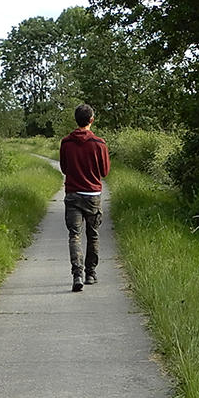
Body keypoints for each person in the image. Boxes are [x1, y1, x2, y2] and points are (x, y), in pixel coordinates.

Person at [59, 103, 111, 292]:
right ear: (91, 120)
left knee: (75, 236)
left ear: (75, 120)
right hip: (92, 196)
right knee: (93, 235)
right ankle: (90, 273)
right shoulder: (99, 144)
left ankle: (77, 274)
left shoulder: (66, 143)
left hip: (72, 194)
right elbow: (104, 171)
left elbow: (64, 169)